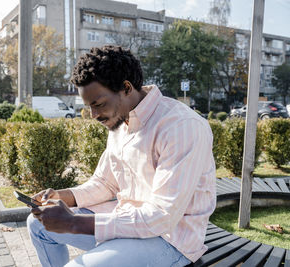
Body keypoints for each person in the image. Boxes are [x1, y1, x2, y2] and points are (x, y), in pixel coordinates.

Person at [27, 45, 216, 267]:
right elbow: (105, 183)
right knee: (38, 223)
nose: (93, 115)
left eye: (98, 104)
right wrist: (62, 196)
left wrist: (74, 223)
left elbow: (162, 216)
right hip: (128, 221)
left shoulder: (181, 127)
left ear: (126, 88)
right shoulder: (120, 121)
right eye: (89, 107)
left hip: (171, 239)